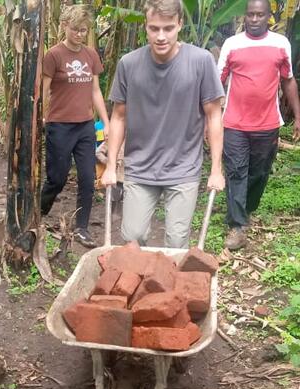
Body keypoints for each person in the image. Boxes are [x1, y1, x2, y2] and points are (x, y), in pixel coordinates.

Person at [101, 0, 225, 249]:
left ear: (179, 24)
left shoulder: (200, 61)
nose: (160, 36)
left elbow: (213, 116)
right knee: (133, 239)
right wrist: (111, 166)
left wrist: (216, 170)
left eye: (168, 28)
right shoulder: (129, 64)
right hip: (140, 167)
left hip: (183, 168)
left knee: (176, 242)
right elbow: (119, 117)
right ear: (145, 26)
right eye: (154, 28)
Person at [218, 0, 300, 250]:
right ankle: (237, 226)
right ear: (245, 16)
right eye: (250, 14)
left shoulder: (280, 44)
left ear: (268, 16)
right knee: (236, 171)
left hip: (267, 123)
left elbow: (288, 80)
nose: (254, 19)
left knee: (259, 173)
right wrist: (210, 117)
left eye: (259, 15)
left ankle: (246, 209)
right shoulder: (232, 44)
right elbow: (217, 81)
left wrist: (298, 115)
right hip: (234, 122)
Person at [41, 5, 110, 248]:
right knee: (57, 178)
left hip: (85, 126)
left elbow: (95, 91)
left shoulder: (91, 55)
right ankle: (38, 212)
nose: (79, 34)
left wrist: (106, 122)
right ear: (64, 26)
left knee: (88, 178)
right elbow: (44, 90)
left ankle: (81, 228)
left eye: (84, 30)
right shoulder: (53, 55)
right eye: (75, 29)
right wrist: (41, 118)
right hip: (59, 125)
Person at [96, 140, 125, 219]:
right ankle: (112, 215)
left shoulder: (134, 140)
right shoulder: (112, 140)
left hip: (132, 176)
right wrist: (108, 162)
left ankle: (123, 216)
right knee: (114, 196)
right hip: (116, 176)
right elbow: (98, 152)